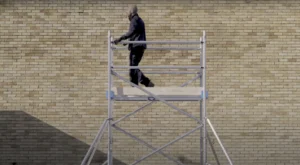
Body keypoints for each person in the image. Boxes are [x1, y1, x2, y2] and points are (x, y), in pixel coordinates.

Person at [112, 5, 155, 87]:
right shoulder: (139, 20)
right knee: (133, 67)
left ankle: (145, 82)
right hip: (140, 46)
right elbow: (135, 33)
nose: (127, 14)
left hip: (136, 46)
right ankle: (135, 85)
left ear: (131, 12)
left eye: (127, 12)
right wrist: (128, 41)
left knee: (133, 67)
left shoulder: (134, 19)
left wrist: (120, 38)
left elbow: (132, 31)